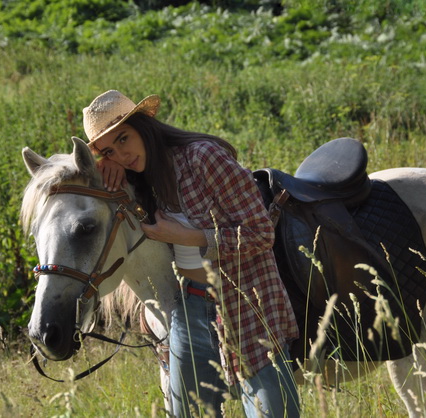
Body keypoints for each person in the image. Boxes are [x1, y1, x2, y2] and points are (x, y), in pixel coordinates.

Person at [82, 90, 300, 417]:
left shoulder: (203, 157)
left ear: (145, 125)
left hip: (246, 303)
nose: (122, 155)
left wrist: (187, 236)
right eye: (111, 150)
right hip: (191, 307)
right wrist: (105, 168)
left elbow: (261, 233)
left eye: (123, 139)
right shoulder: (141, 179)